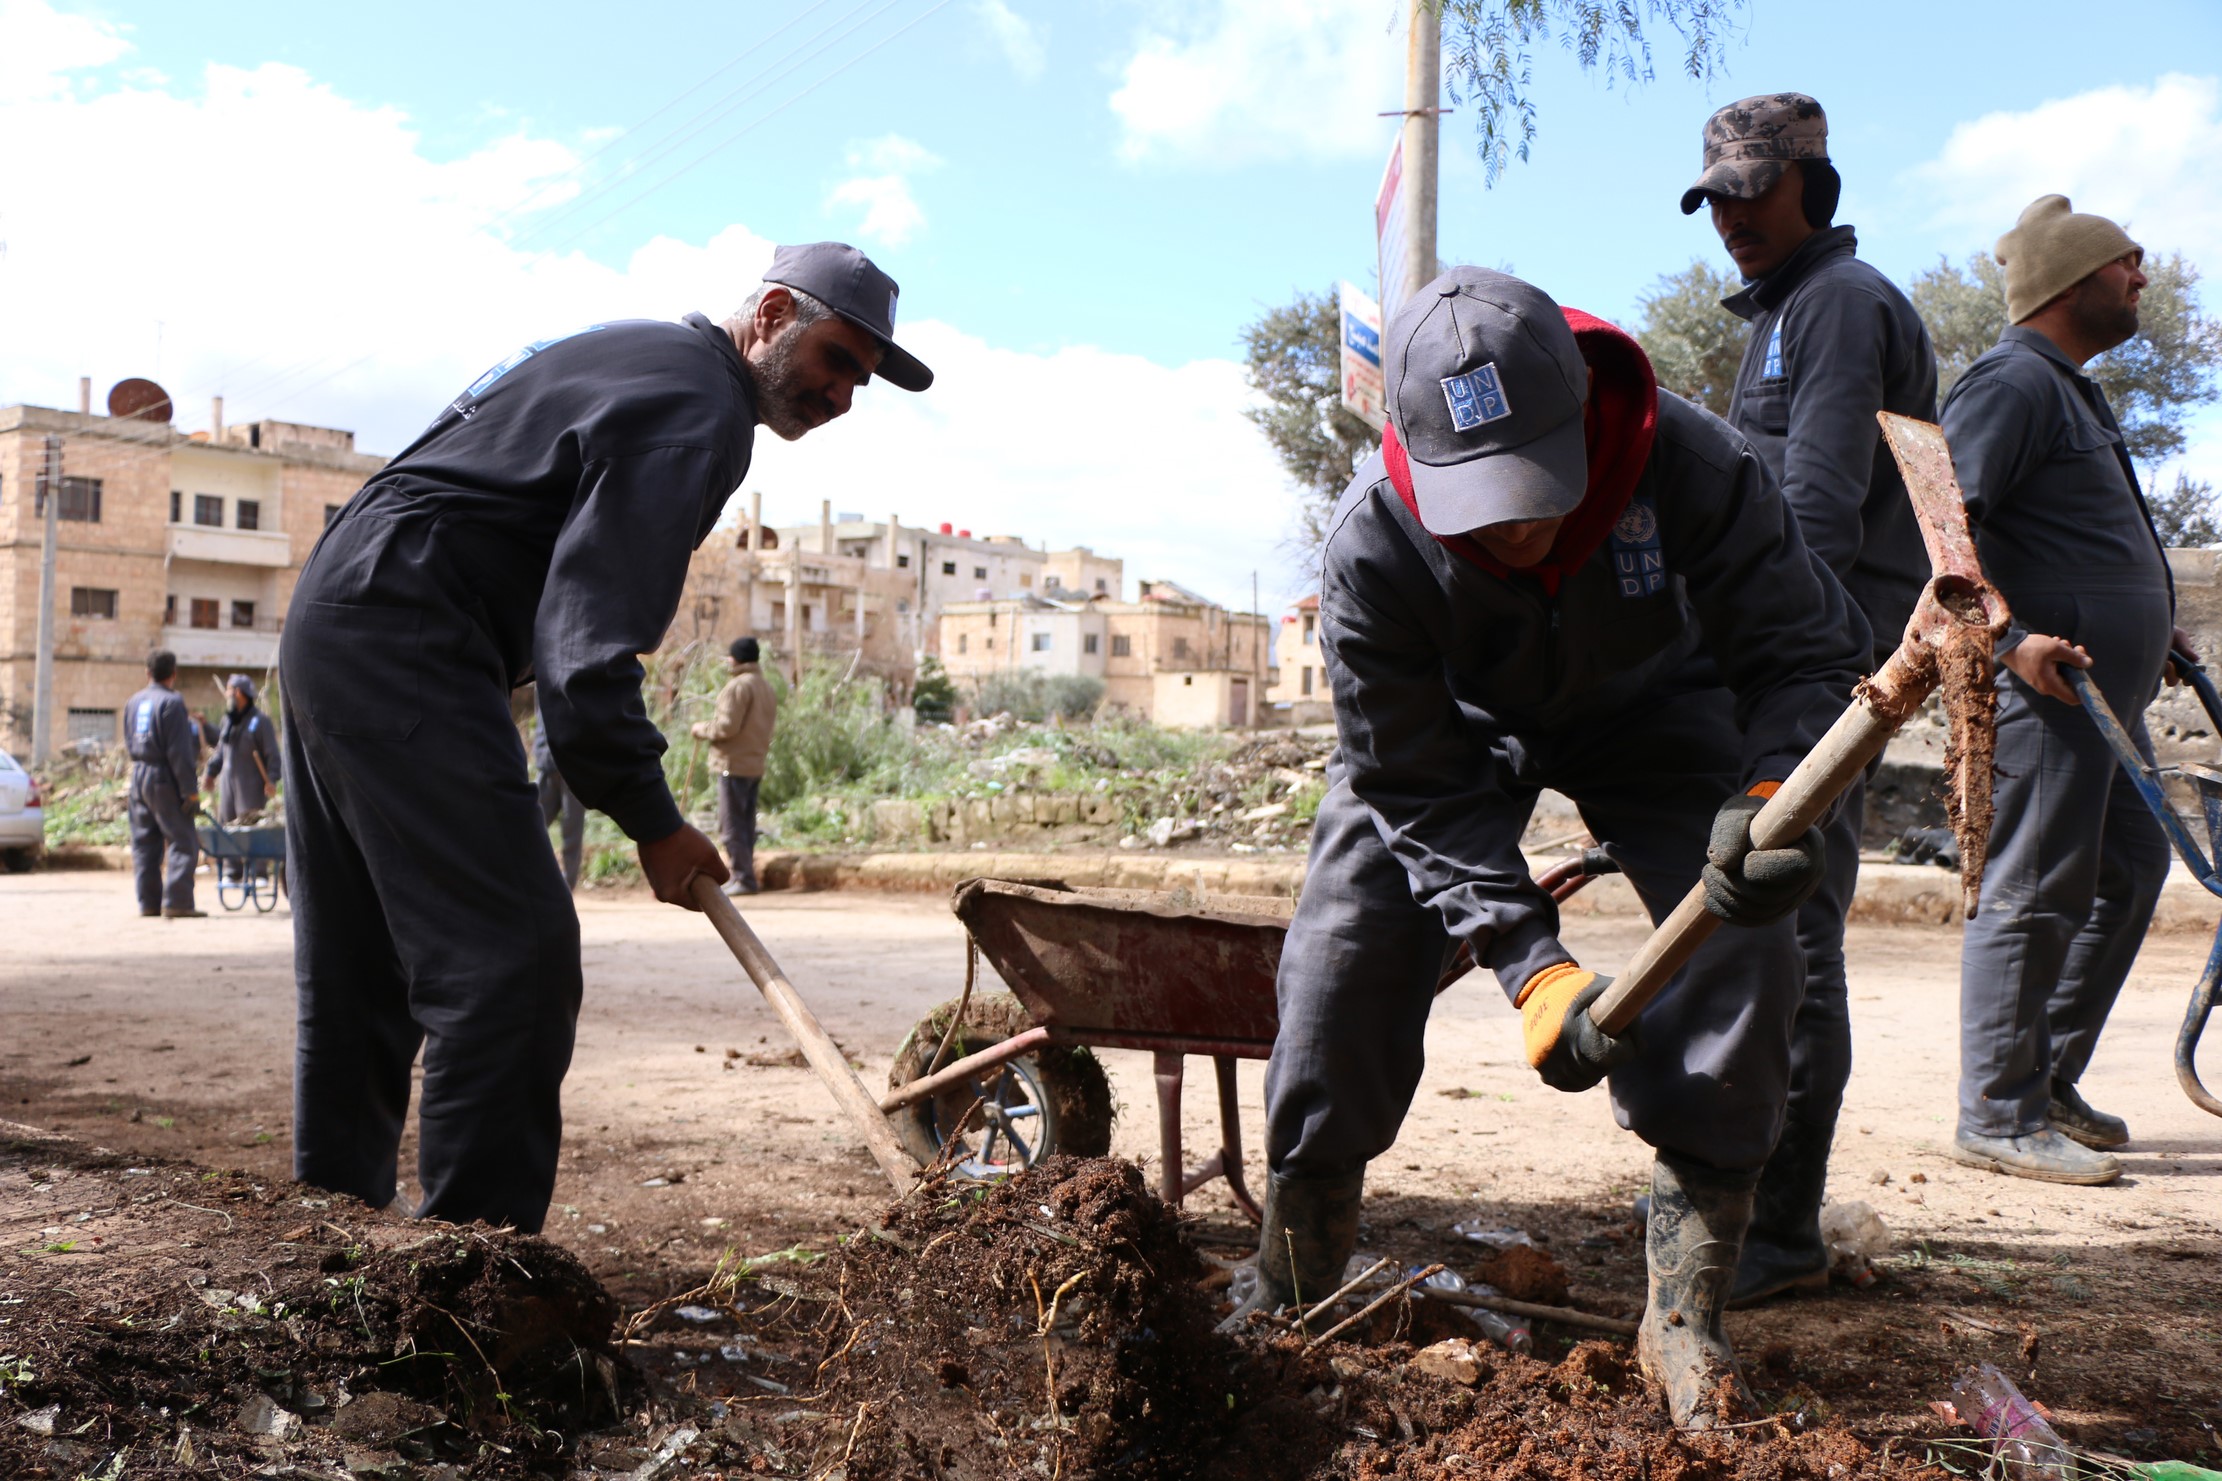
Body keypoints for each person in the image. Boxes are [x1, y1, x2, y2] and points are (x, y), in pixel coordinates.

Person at [1237, 268, 1868, 1428]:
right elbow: (1410, 781)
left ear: (1582, 407)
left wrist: (1777, 792)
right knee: (1341, 946)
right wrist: (1530, 966)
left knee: (1748, 934)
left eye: (1533, 489)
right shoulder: (1371, 542)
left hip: (1657, 706)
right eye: (1476, 505)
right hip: (1457, 726)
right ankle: (1291, 1269)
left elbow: (1805, 653)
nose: (1517, 530)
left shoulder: (1692, 462)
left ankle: (1683, 1314)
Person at [280, 241, 932, 1233]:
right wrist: (654, 819)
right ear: (767, 316)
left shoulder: (639, 357)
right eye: (836, 358)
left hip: (345, 612)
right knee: (513, 962)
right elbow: (584, 651)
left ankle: (326, 1244)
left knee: (364, 965)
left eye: (862, 379)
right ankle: (472, 1282)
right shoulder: (696, 410)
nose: (844, 395)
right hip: (407, 627)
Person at [1679, 93, 1939, 1303]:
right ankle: (1757, 1211)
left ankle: (1774, 1230)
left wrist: (1782, 685)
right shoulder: (1788, 307)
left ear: (1810, 188)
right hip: (1803, 658)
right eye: (1715, 195)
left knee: (1795, 935)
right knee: (1778, 927)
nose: (1732, 214)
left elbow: (1819, 507)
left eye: (1752, 189)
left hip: (1818, 665)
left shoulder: (1835, 304)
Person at [1944, 196, 2188, 1186]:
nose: (2138, 275)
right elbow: (1941, 532)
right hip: (2047, 697)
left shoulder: (2068, 390)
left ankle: (2040, 1079)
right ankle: (1994, 1113)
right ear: (2066, 280)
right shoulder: (2008, 382)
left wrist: (2148, 616)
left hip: (2104, 706)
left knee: (2127, 871)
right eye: (2121, 261)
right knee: (2033, 888)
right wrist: (2005, 646)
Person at [691, 636, 778, 895]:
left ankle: (743, 878)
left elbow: (727, 726)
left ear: (736, 658)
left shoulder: (737, 687)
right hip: (754, 763)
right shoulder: (765, 686)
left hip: (733, 763)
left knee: (731, 826)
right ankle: (744, 875)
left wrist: (701, 729)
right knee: (746, 824)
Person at [124, 649, 204, 919]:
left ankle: (149, 904)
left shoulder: (133, 701)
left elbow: (128, 741)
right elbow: (180, 753)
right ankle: (178, 902)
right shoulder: (172, 702)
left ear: (147, 673)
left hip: (138, 776)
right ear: (174, 674)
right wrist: (190, 793)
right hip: (164, 777)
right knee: (183, 840)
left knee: (145, 843)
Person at [206, 674, 283, 823]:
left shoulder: (261, 722)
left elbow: (273, 755)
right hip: (228, 789)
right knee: (228, 830)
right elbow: (221, 752)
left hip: (250, 790)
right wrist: (211, 772)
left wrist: (272, 780)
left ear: (238, 693)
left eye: (229, 690)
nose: (226, 695)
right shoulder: (228, 721)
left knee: (249, 829)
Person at [531, 690, 588, 890]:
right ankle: (528, 880)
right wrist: (539, 751)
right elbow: (540, 716)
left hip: (574, 766)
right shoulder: (541, 675)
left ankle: (567, 886)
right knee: (529, 824)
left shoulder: (578, 676)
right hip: (547, 763)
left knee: (571, 831)